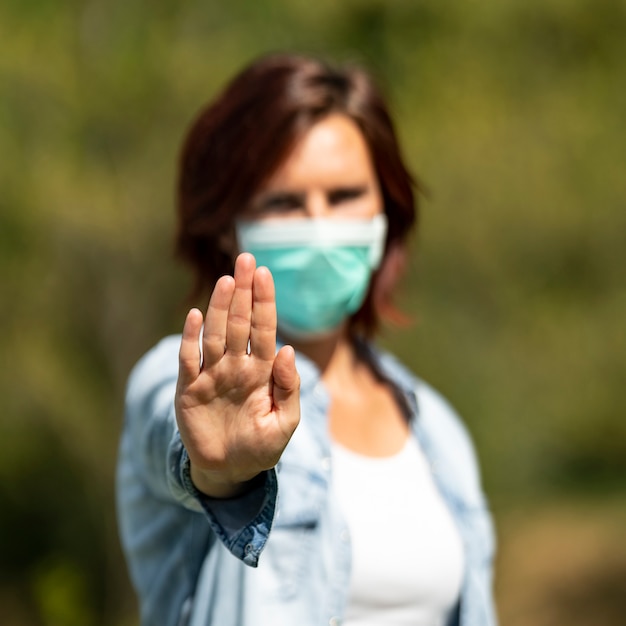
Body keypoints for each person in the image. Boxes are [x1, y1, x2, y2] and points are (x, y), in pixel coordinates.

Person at [116, 53, 497, 626]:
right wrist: (222, 472)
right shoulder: (177, 380)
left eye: (344, 197)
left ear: (385, 213)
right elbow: (184, 442)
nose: (320, 225)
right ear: (227, 222)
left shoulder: (437, 428)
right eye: (284, 202)